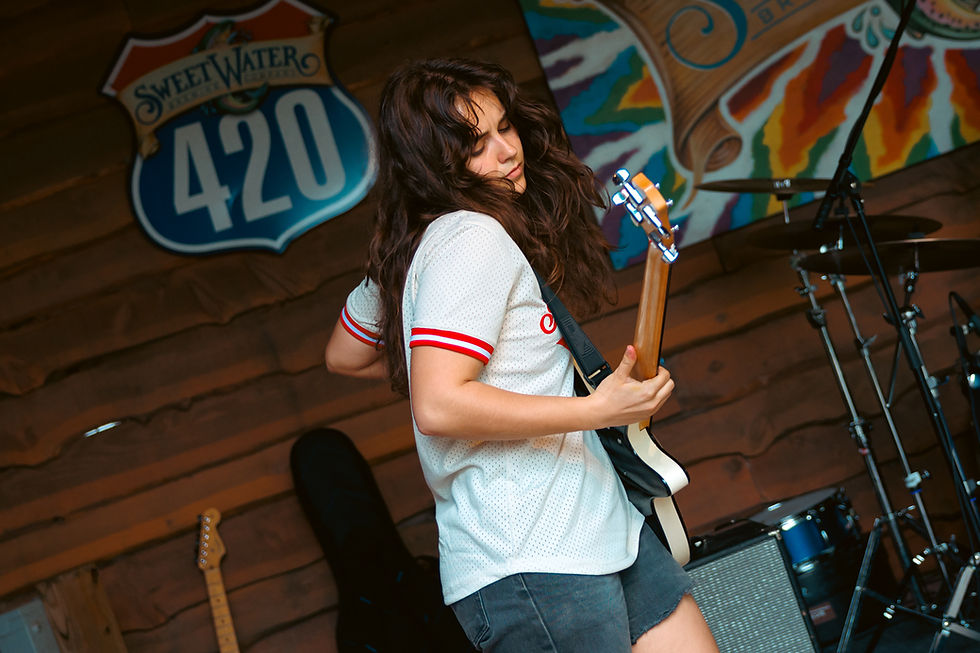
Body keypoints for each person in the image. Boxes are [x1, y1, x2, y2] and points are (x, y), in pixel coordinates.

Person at [324, 57, 718, 652]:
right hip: (531, 556)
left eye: (505, 128)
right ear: (433, 165)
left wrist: (405, 294)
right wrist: (597, 410)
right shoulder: (467, 239)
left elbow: (345, 353)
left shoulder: (427, 247)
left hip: (600, 525)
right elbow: (438, 405)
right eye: (476, 144)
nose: (507, 151)